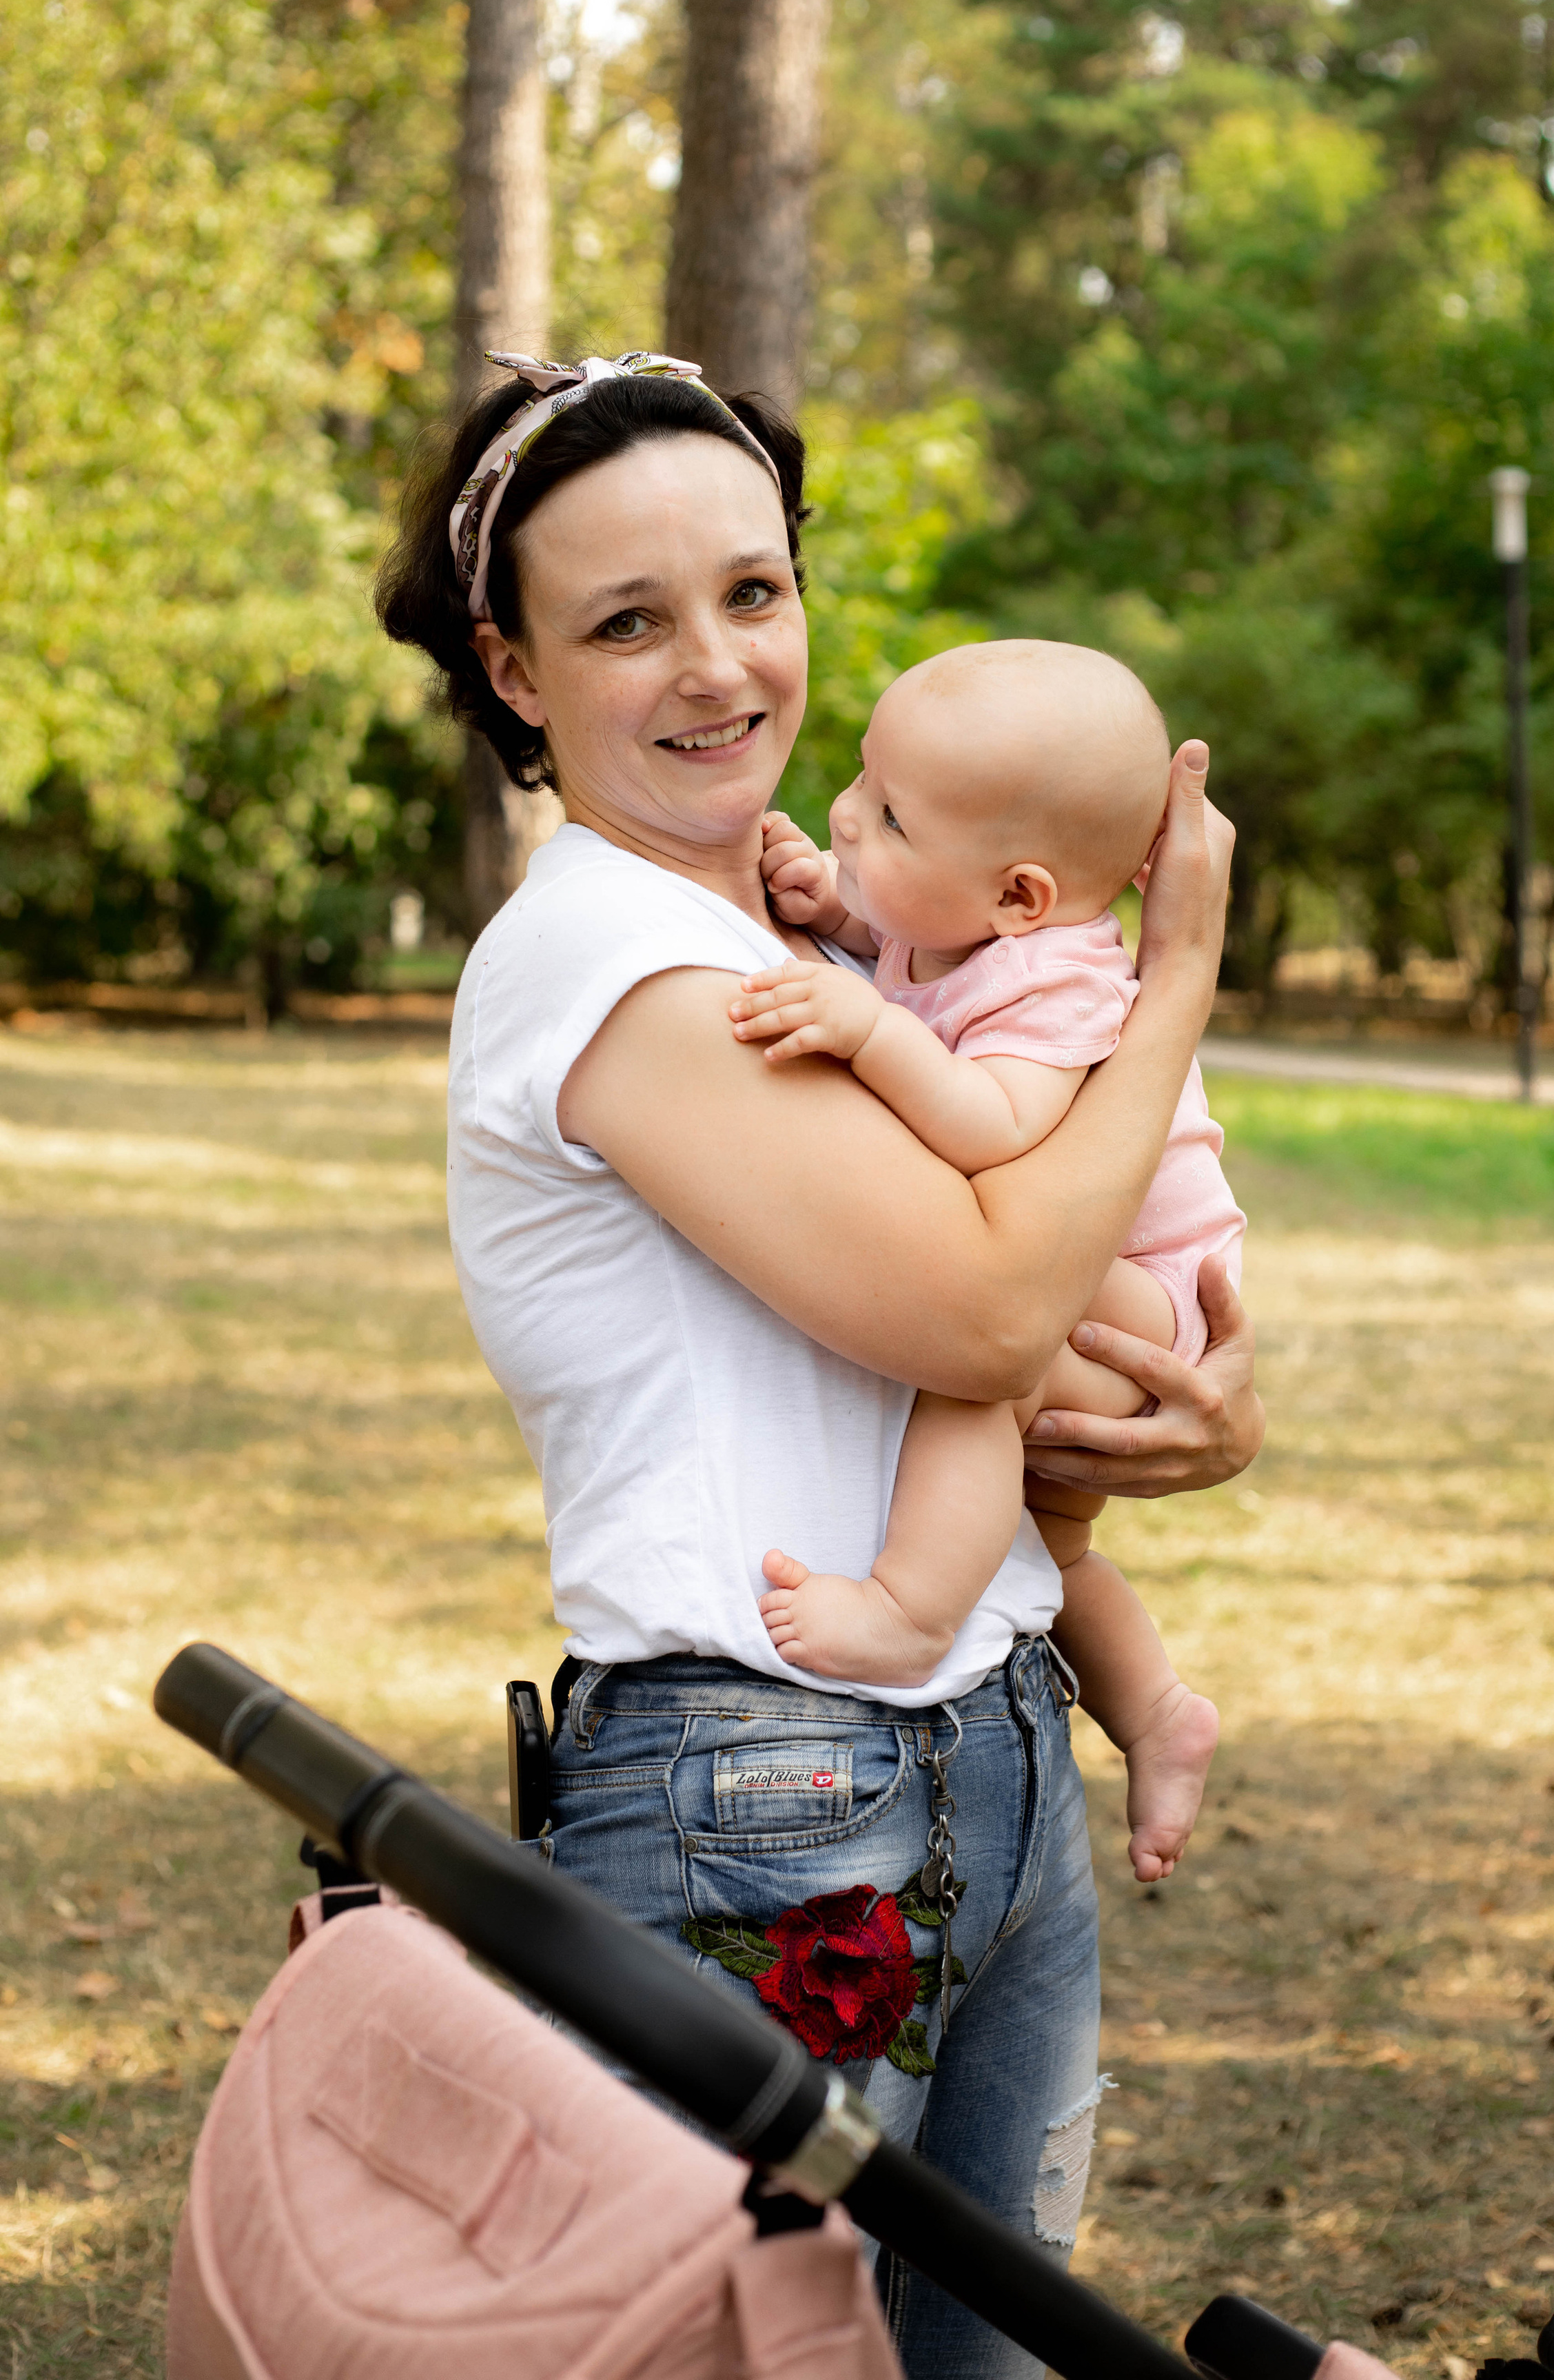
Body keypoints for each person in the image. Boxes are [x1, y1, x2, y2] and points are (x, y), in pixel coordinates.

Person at [376, 348, 1263, 2380]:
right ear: (515, 671)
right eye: (626, 622)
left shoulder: (825, 946)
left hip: (999, 1742)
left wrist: (1199, 1409)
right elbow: (988, 1314)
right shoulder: (608, 959)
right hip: (764, 1785)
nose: (716, 668)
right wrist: (1176, 985)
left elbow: (1058, 1279)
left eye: (753, 592)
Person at [728, 639, 1245, 1886]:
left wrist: (865, 1029)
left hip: (1147, 1294)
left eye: (889, 817)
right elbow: (904, 942)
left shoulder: (1060, 985)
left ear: (1020, 897)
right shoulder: (955, 926)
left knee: (978, 1373)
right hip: (1107, 1273)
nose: (846, 814)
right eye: (863, 778)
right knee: (1050, 1548)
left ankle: (909, 1615)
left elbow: (991, 1124)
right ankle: (1158, 1711)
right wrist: (833, 907)